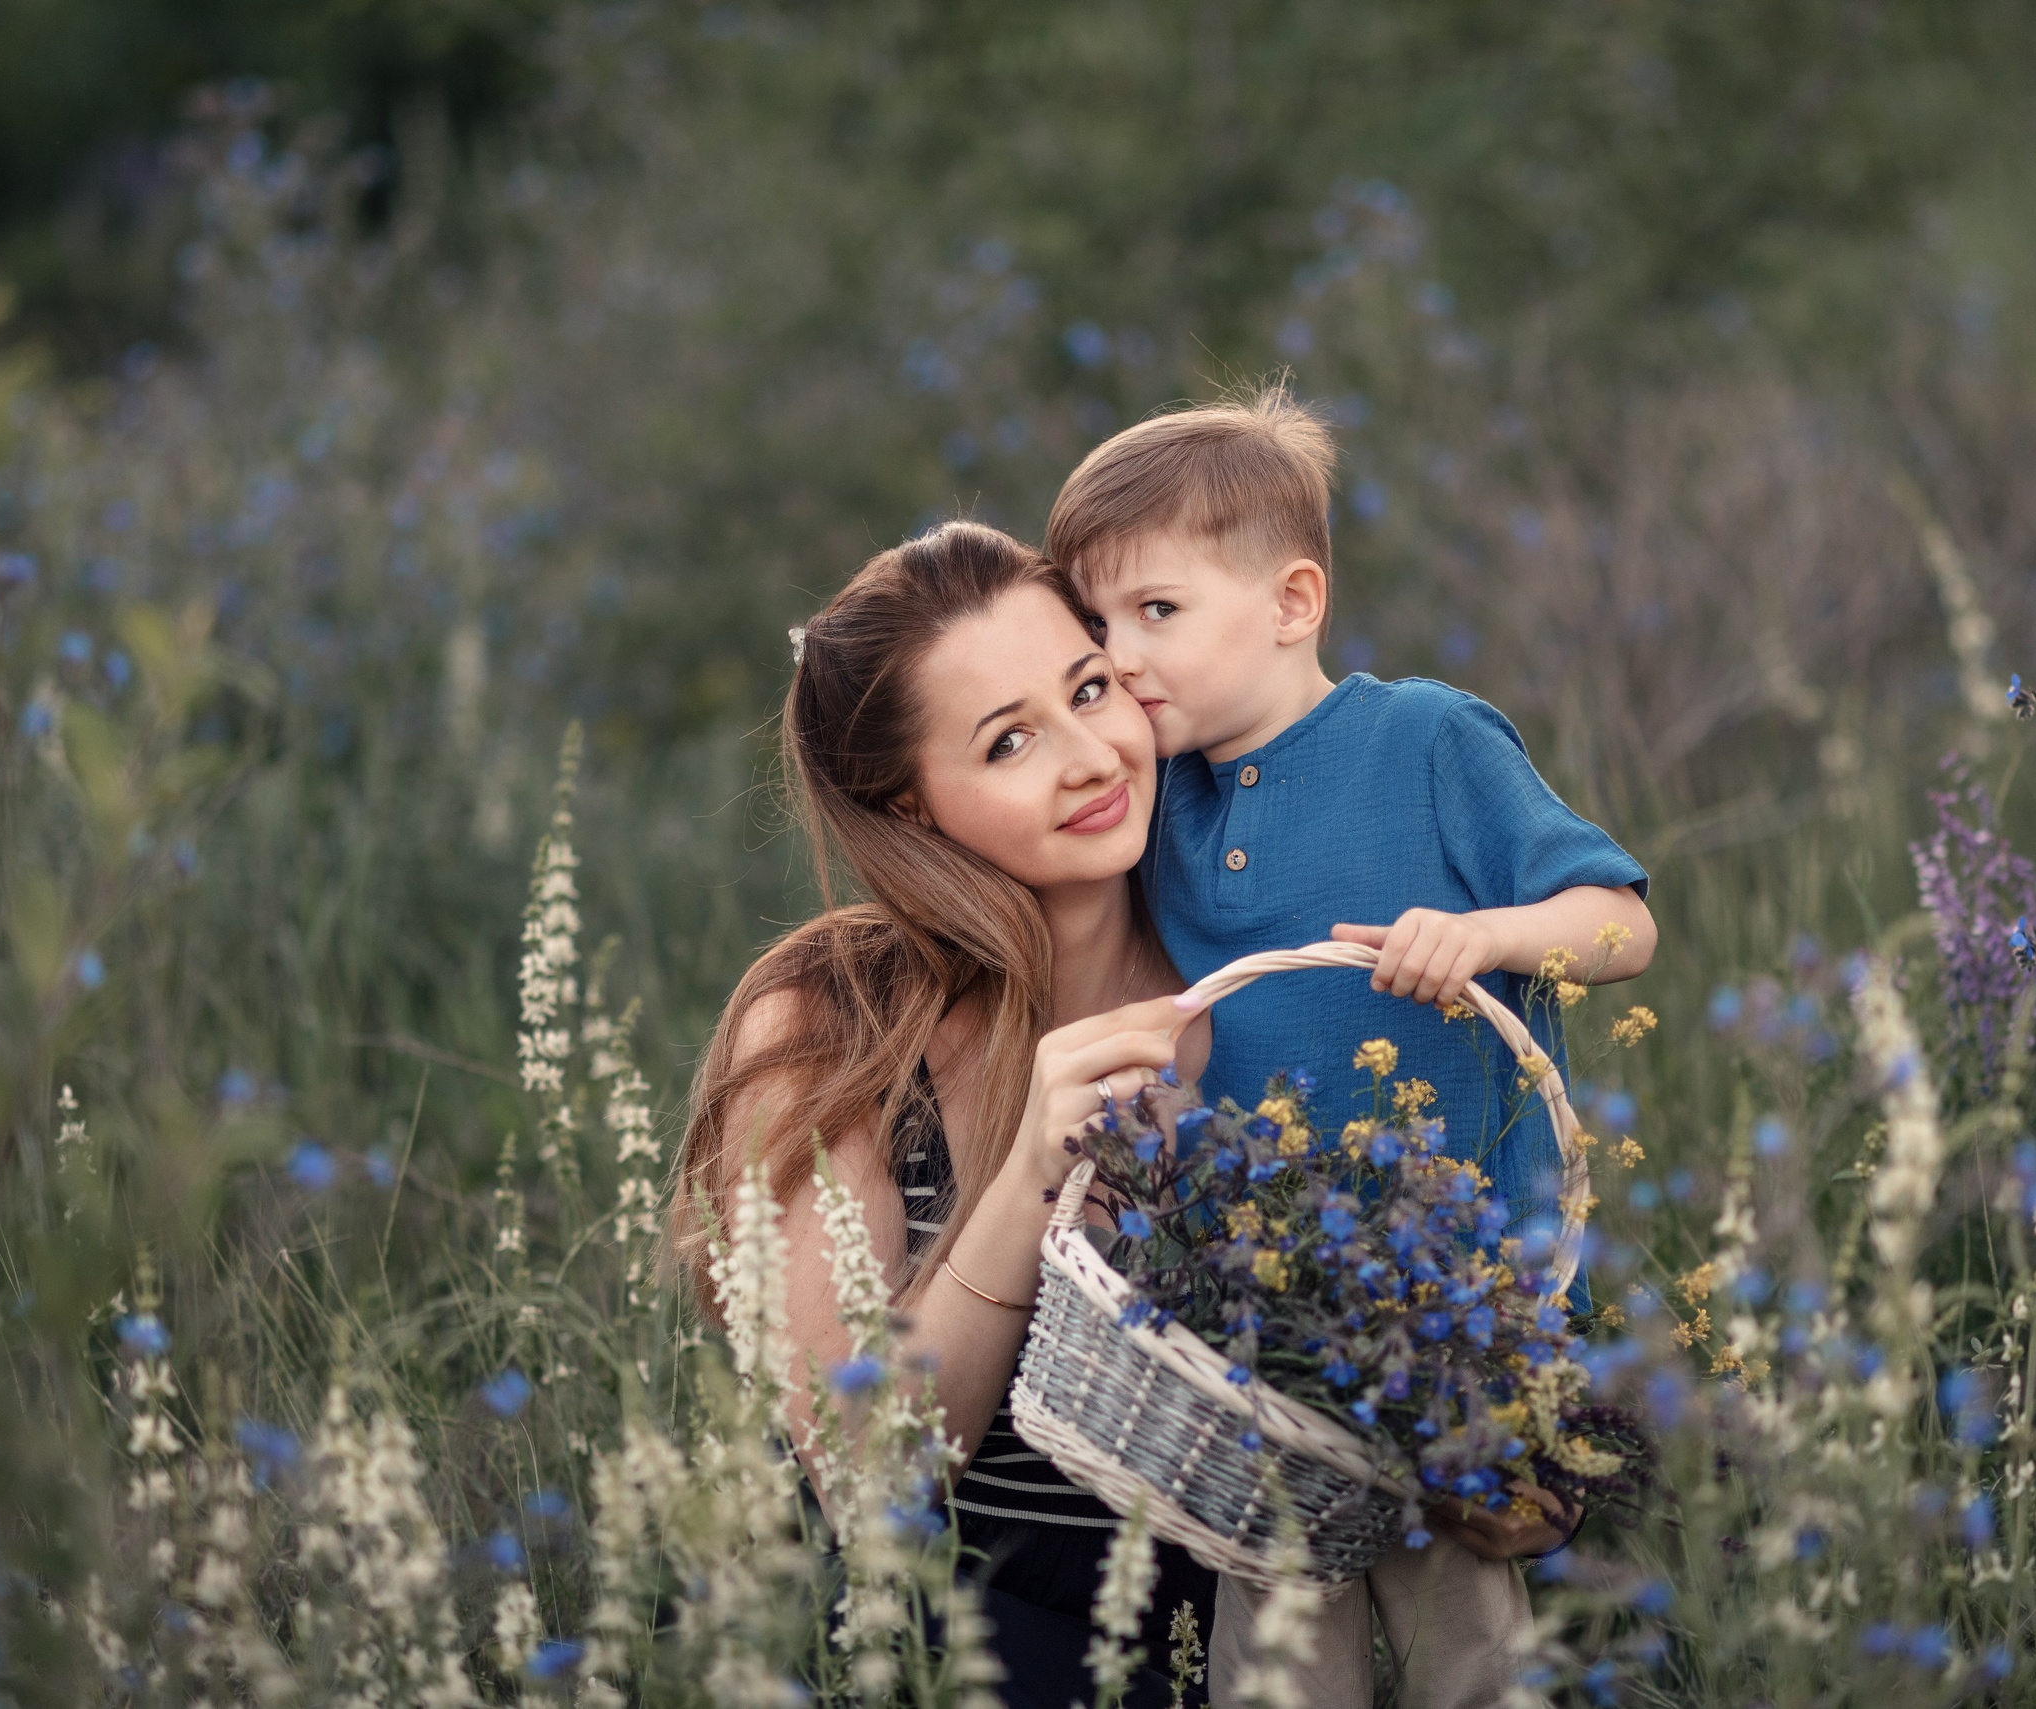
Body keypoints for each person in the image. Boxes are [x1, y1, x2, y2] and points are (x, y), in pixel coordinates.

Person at [1043, 388, 1659, 1709]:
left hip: (1460, 1309)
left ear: (1292, 600)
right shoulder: (1162, 803)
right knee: (1274, 1660)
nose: (1121, 654)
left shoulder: (1424, 738)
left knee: (1468, 1647)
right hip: (1272, 1328)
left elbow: (1620, 923)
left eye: (1156, 611)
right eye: (1096, 627)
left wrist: (1490, 935)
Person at [671, 521, 1215, 1708]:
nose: (1089, 756)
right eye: (1011, 740)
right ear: (913, 808)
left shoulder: (1258, 985)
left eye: (1089, 688)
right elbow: (867, 1475)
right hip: (923, 1637)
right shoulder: (832, 1021)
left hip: (1215, 1644)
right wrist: (1030, 1171)